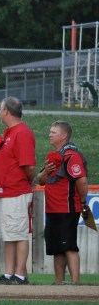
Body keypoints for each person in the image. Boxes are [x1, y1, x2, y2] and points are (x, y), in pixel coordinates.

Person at [0, 96, 36, 285]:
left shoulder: (21, 132)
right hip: (5, 191)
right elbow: (10, 160)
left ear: (6, 111)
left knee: (18, 233)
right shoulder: (10, 133)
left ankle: (20, 274)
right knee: (9, 234)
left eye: (1, 110)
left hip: (15, 191)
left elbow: (29, 166)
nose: (0, 113)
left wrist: (28, 181)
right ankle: (9, 274)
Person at [36, 121, 89, 285]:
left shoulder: (72, 155)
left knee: (69, 246)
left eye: (53, 132)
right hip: (52, 209)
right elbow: (40, 180)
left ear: (64, 135)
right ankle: (59, 284)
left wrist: (82, 201)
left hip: (67, 209)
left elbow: (82, 181)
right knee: (57, 248)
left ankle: (75, 284)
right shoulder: (54, 156)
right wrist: (46, 171)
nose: (49, 135)